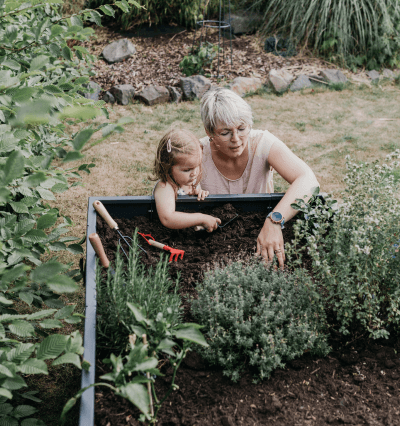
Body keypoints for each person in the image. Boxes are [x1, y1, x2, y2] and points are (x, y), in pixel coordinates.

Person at [199, 87, 320, 267]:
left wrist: (275, 221)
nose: (236, 139)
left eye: (242, 128)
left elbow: (308, 180)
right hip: (211, 243)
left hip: (259, 232)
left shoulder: (262, 142)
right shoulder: (197, 152)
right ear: (209, 132)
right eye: (225, 133)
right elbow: (164, 191)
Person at [153, 129, 222, 232]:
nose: (194, 173)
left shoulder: (190, 181)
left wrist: (197, 193)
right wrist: (201, 218)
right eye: (187, 170)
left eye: (197, 166)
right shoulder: (165, 187)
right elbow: (167, 218)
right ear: (167, 167)